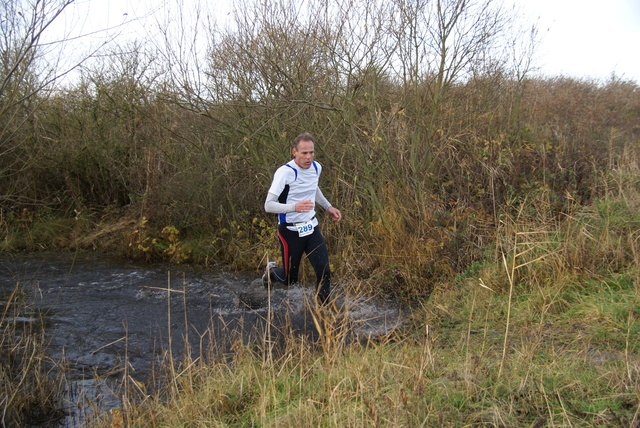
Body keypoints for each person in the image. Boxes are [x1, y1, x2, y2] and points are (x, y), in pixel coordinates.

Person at [263, 132, 342, 303]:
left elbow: (313, 189)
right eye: (304, 153)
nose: (309, 157)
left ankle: (324, 311)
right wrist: (294, 207)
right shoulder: (285, 172)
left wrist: (328, 207)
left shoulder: (316, 167)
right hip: (290, 232)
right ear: (294, 152)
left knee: (324, 272)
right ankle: (271, 272)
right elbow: (268, 205)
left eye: (312, 152)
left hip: (311, 228)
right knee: (289, 280)